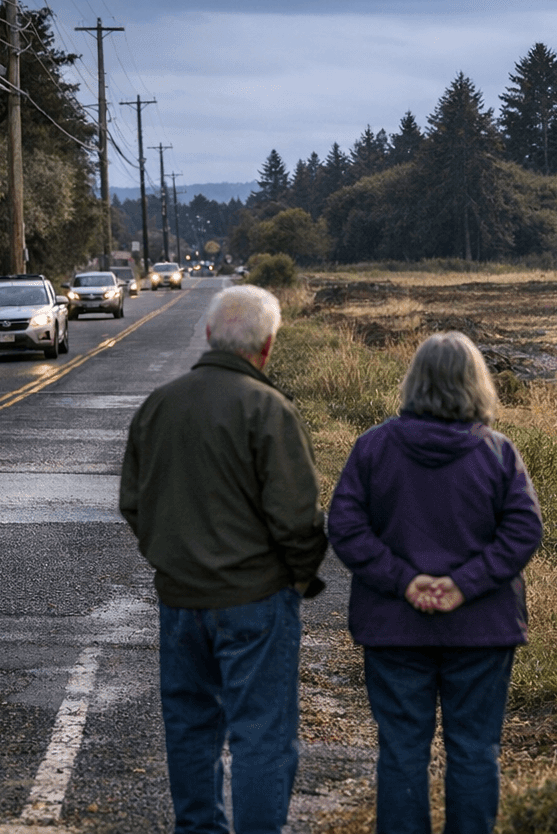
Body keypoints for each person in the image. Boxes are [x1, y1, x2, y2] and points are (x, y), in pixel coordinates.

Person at [119, 284, 328, 834]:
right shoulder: (269, 409)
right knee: (260, 736)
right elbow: (298, 517)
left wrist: (172, 558)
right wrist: (299, 577)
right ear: (268, 346)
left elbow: (134, 502)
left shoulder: (160, 404)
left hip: (181, 600)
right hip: (255, 600)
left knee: (190, 730)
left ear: (210, 334)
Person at [328, 332, 544, 834]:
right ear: (477, 383)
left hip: (395, 628)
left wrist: (405, 582)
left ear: (415, 381)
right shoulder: (497, 453)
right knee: (474, 750)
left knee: (402, 749)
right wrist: (463, 585)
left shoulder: (373, 447)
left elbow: (345, 526)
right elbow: (524, 530)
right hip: (481, 629)